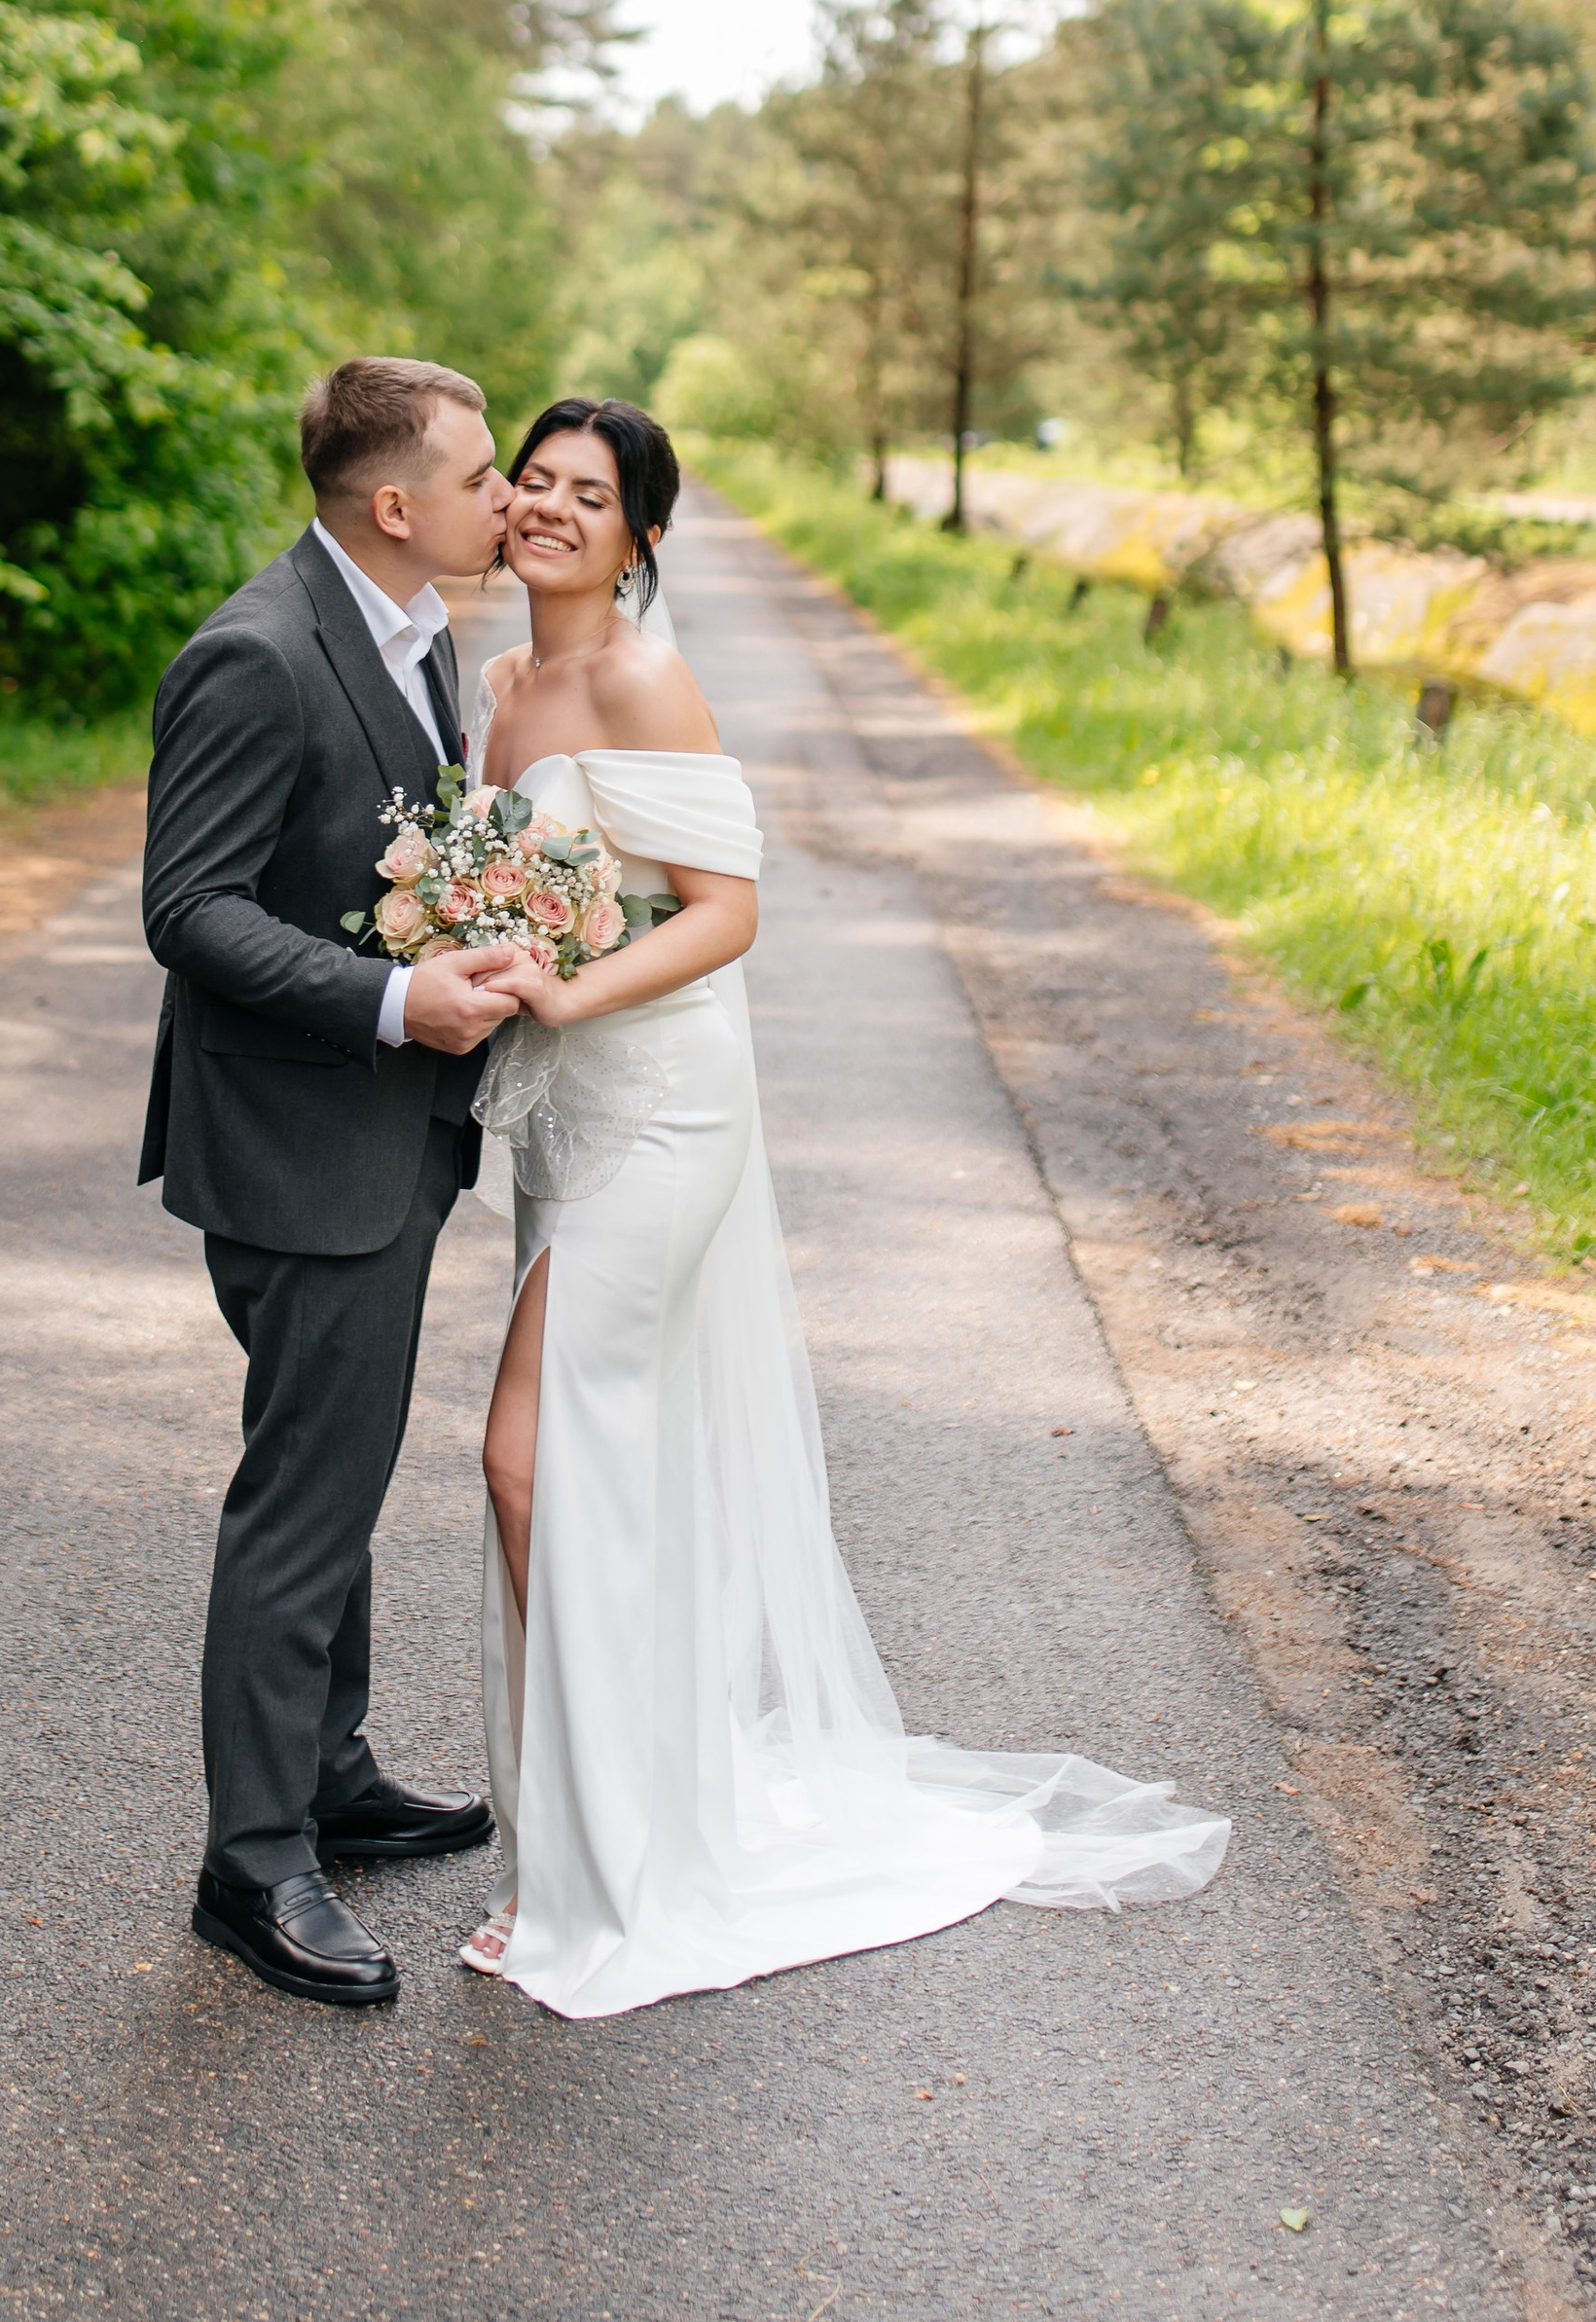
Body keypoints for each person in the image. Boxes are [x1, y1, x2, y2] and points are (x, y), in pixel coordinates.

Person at [458, 398, 1230, 2019]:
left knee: (530, 1460)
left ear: (639, 537)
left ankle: (614, 1870)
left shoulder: (641, 679)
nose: (546, 509)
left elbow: (729, 913)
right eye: (530, 481)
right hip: (562, 1119)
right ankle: (582, 1843)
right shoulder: (504, 685)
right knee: (589, 1471)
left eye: (587, 496)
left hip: (660, 1108)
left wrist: (569, 988)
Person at [140, 356, 524, 2009]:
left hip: (387, 1137)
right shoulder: (255, 652)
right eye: (481, 474)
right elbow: (194, 910)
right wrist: (391, 998)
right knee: (302, 1499)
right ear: (395, 505)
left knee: (340, 1466)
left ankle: (335, 1774)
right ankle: (255, 1863)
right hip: (302, 1146)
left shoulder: (414, 629)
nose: (503, 498)